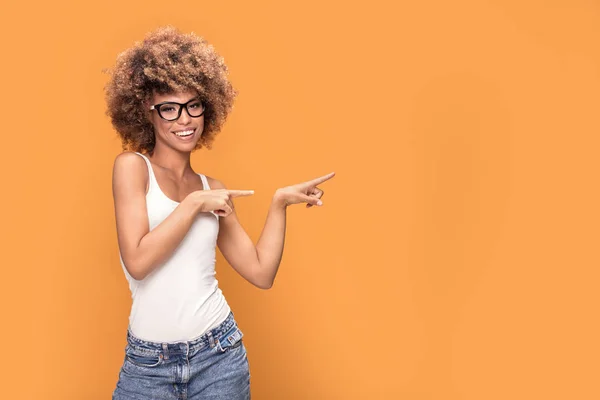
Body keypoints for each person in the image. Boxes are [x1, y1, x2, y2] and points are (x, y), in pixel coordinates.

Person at [104, 26, 335, 399]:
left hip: (219, 356)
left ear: (207, 108)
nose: (185, 119)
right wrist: (194, 204)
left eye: (194, 105)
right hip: (148, 366)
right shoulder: (132, 168)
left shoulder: (213, 188)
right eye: (169, 108)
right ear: (147, 114)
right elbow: (138, 260)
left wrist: (278, 204)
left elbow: (261, 273)